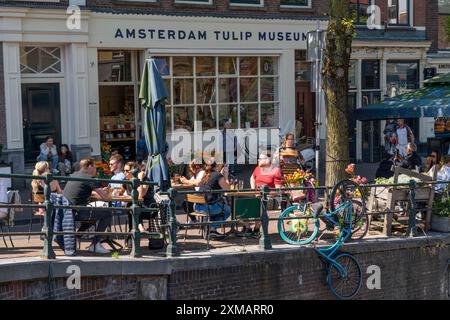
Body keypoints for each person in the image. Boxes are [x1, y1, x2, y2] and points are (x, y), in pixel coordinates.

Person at [63, 158, 113, 254]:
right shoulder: (88, 178)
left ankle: (77, 237)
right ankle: (95, 244)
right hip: (79, 211)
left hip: (68, 211)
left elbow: (81, 191)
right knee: (107, 213)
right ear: (89, 166)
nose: (96, 169)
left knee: (93, 215)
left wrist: (97, 193)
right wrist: (107, 193)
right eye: (95, 167)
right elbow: (106, 198)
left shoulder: (74, 175)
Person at [194, 160, 231, 238]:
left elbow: (199, 185)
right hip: (207, 207)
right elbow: (227, 189)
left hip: (197, 206)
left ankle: (211, 229)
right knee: (227, 210)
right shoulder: (217, 175)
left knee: (217, 205)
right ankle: (212, 228)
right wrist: (226, 177)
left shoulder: (205, 174)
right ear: (217, 166)